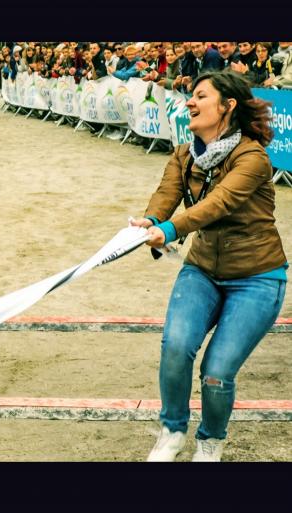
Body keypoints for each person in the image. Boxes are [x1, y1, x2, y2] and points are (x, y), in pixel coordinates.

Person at [130, 71, 286, 462]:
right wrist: (151, 220)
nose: (189, 102)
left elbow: (217, 204)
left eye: (200, 96)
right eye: (190, 96)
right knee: (176, 347)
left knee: (217, 372)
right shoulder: (184, 155)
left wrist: (170, 229)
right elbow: (166, 195)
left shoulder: (253, 157)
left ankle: (210, 441)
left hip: (257, 279)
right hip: (201, 270)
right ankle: (171, 430)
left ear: (228, 106)